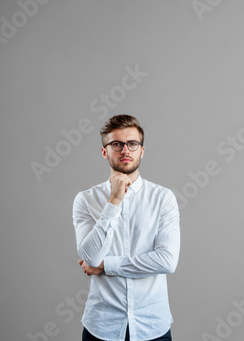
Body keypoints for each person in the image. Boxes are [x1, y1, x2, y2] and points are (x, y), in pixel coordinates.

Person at [72, 114, 180, 341]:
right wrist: (114, 200)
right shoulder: (85, 200)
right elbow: (91, 257)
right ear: (104, 152)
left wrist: (107, 265)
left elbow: (167, 260)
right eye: (116, 144)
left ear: (142, 150)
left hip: (153, 326)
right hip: (101, 327)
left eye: (132, 144)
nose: (125, 150)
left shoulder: (163, 198)